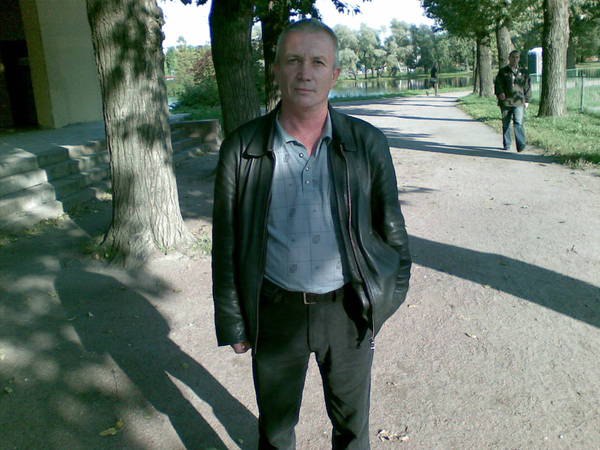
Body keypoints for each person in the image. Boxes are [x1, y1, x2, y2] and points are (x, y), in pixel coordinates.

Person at [211, 18, 412, 450]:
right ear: (276, 70)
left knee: (352, 430)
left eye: (318, 62)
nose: (305, 72)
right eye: (294, 60)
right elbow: (227, 243)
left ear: (334, 74)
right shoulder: (242, 148)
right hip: (275, 310)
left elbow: (393, 231)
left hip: (348, 310)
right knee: (276, 430)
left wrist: (383, 302)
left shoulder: (366, 143)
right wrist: (233, 320)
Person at [494, 50, 531, 152]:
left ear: (519, 59)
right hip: (506, 102)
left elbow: (527, 87)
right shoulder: (503, 71)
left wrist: (527, 100)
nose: (515, 59)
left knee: (518, 123)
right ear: (509, 58)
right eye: (513, 57)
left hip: (519, 102)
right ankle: (507, 144)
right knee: (506, 123)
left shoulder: (524, 72)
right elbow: (498, 84)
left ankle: (521, 145)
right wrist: (500, 93)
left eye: (517, 57)